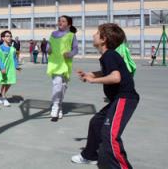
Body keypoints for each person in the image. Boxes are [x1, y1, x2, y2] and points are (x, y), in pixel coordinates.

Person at [72, 23, 140, 168]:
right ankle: (89, 155)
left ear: (103, 39)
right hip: (119, 99)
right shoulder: (109, 56)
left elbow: (116, 77)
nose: (93, 35)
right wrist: (91, 74)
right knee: (96, 122)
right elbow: (108, 72)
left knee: (110, 136)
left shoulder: (109, 55)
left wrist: (93, 80)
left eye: (97, 33)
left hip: (125, 99)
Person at [47, 15, 78, 121]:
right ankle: (55, 107)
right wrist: (49, 49)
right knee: (57, 84)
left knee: (63, 86)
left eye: (63, 21)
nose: (60, 22)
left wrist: (70, 53)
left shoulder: (71, 35)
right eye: (59, 20)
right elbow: (48, 46)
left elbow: (75, 49)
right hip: (54, 63)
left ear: (68, 24)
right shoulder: (53, 34)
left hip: (65, 64)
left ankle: (59, 105)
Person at [0, 30, 20, 107]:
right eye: (7, 36)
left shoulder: (13, 48)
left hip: (10, 69)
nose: (9, 38)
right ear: (3, 38)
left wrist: (16, 66)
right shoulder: (0, 48)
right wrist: (2, 68)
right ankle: (4, 98)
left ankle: (1, 95)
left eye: (10, 36)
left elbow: (14, 58)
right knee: (4, 83)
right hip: (3, 68)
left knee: (9, 82)